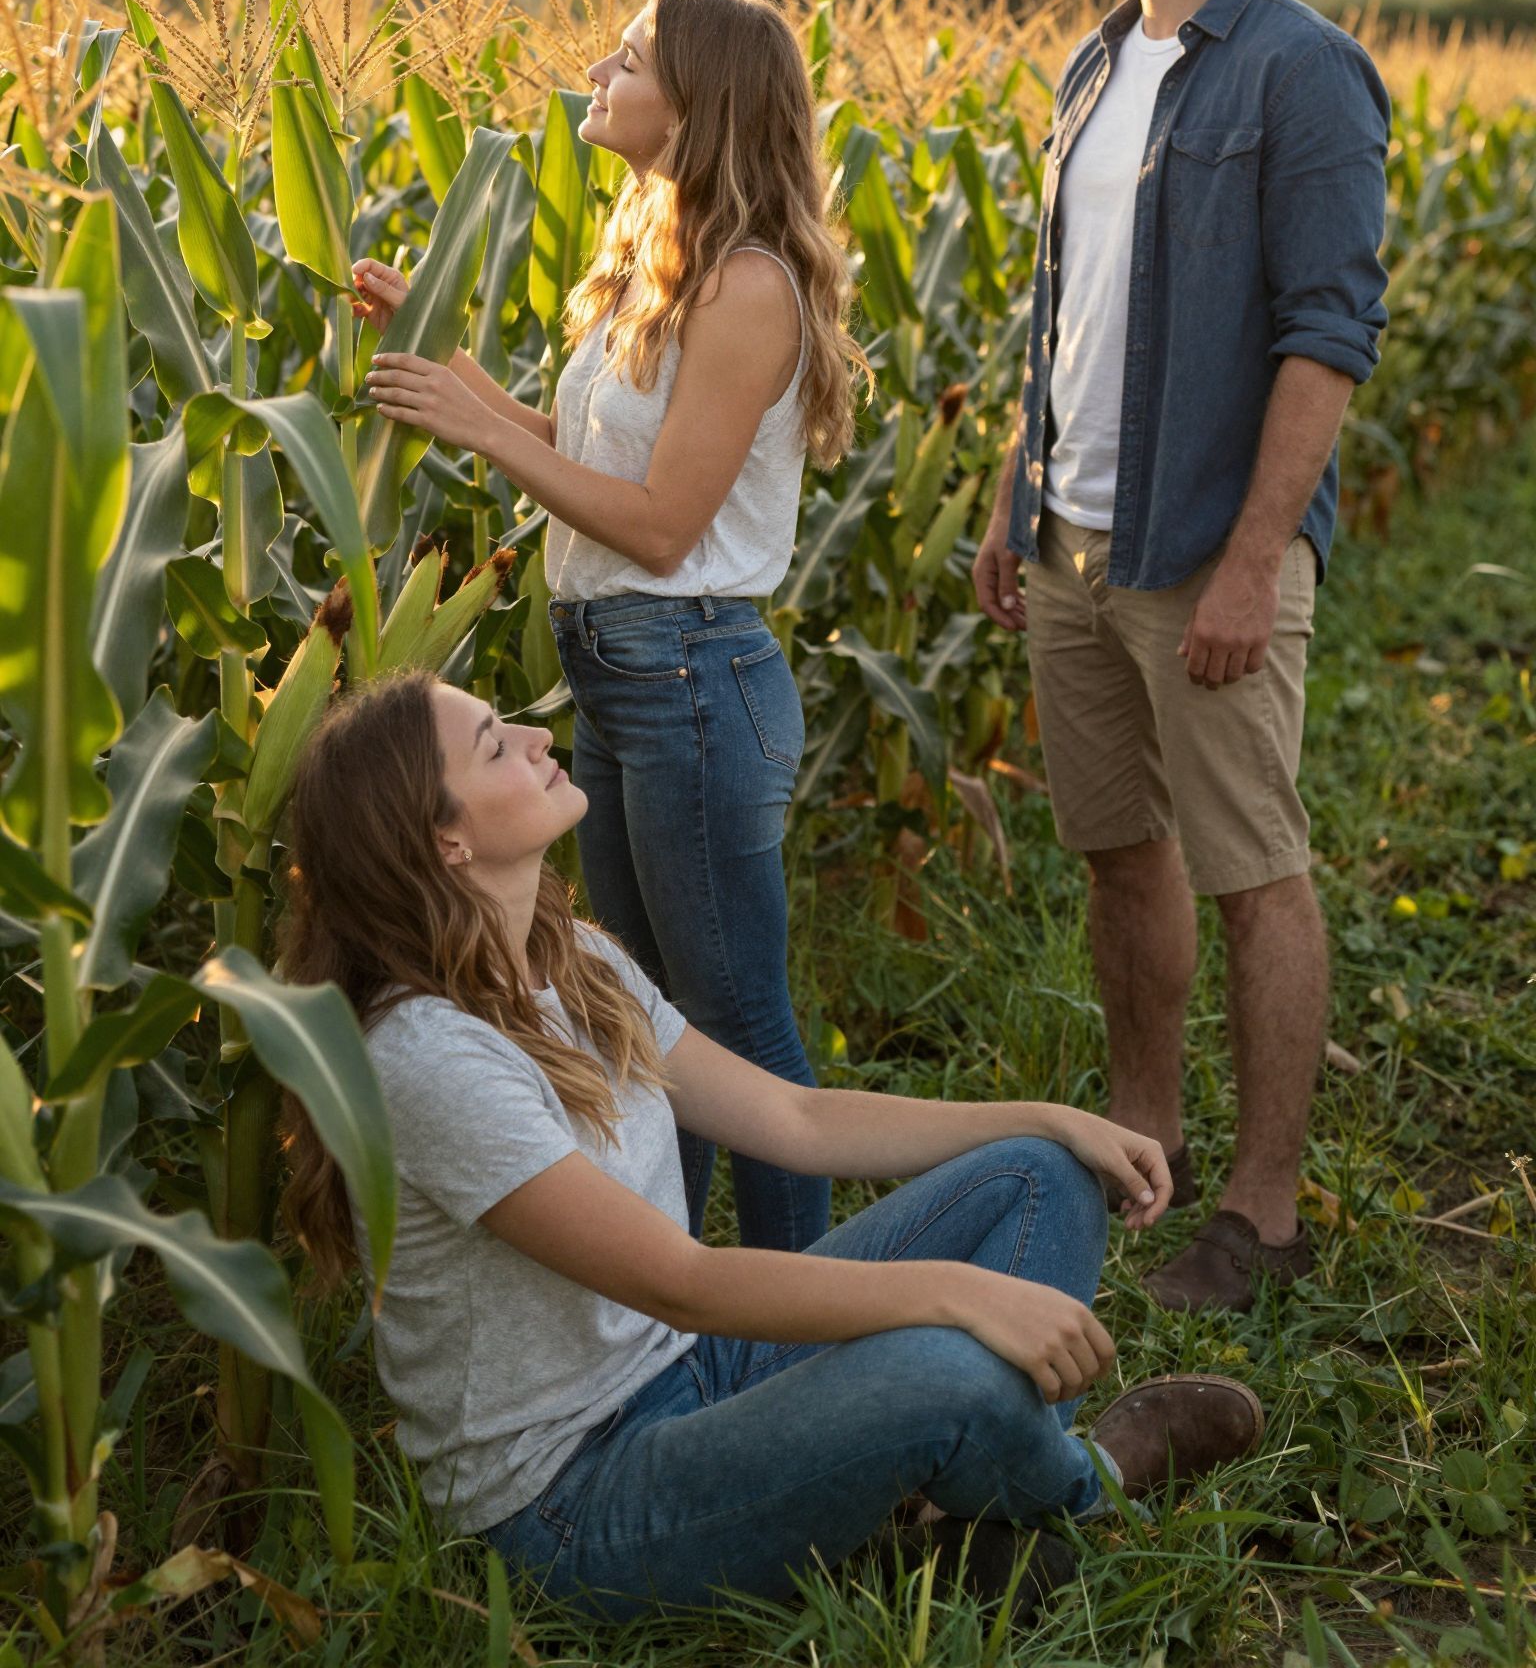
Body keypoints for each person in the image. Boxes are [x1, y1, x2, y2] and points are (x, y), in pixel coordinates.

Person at [279, 670, 1265, 1623]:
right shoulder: (428, 1057)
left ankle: (957, 1512)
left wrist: (1049, 1116)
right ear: (445, 838)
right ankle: (1090, 1483)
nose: (539, 737)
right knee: (946, 1365)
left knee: (1039, 1174)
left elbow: (795, 1121)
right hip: (574, 1498)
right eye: (497, 742)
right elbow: (680, 1278)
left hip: (695, 1367)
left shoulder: (572, 961)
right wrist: (961, 1292)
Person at [355, 0, 871, 1253]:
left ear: (697, 103)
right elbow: (582, 454)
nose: (602, 68)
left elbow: (655, 524)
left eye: (630, 57)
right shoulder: (664, 260)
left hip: (690, 672)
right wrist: (453, 367)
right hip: (624, 669)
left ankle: (798, 1316)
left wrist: (478, 425)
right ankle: (686, 1295)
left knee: (735, 1020)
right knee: (647, 1016)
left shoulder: (748, 285)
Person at [972, 0, 1390, 1313]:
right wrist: (1018, 493)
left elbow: (1327, 335)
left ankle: (1262, 1213)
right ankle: (1141, 1141)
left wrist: (1251, 559)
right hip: (1075, 543)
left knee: (1253, 870)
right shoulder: (1097, 63)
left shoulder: (1301, 70)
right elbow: (1069, 312)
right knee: (1116, 858)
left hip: (1209, 553)